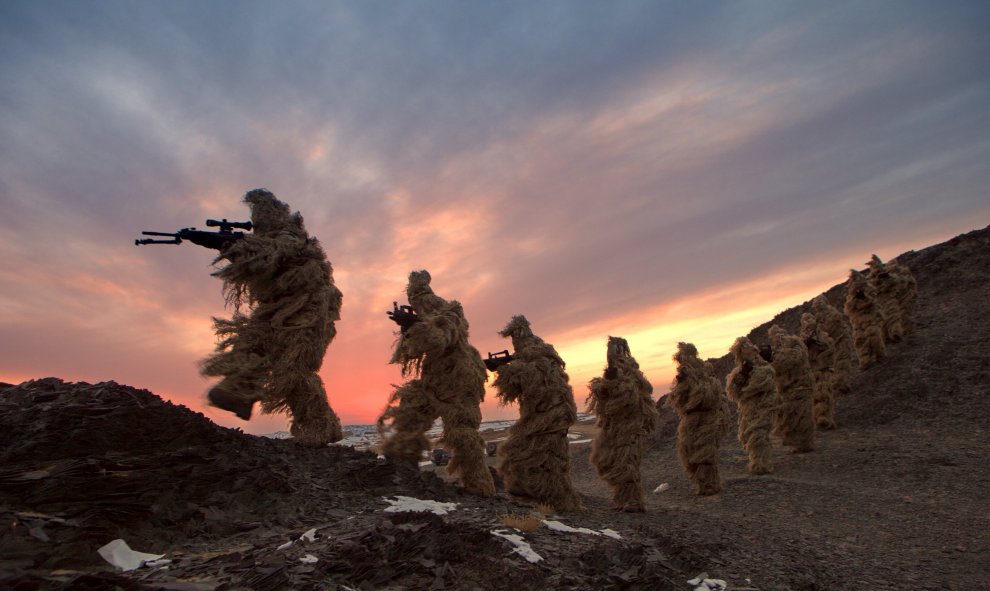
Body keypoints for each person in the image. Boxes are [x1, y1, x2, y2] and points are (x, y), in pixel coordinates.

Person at [203, 189, 344, 446]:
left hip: (310, 313)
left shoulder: (291, 238)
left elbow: (271, 253)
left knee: (293, 370)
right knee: (250, 343)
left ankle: (320, 425)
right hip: (276, 310)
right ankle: (240, 392)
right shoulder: (275, 239)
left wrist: (231, 246)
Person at [377, 270, 495, 497]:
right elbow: (413, 351)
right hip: (436, 380)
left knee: (462, 434)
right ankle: (402, 471)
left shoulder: (448, 311)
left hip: (459, 379)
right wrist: (408, 328)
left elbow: (440, 337)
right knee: (410, 413)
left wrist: (416, 327)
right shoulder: (427, 314)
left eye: (416, 296)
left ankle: (480, 489)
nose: (415, 302)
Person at [492, 316, 584, 511]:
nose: (514, 343)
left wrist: (503, 370)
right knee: (542, 458)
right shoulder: (544, 355)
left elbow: (530, 384)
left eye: (515, 338)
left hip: (549, 418)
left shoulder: (535, 358)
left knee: (537, 458)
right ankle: (551, 499)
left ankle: (553, 502)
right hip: (551, 417)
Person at [587, 337, 659, 510]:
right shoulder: (613, 373)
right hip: (614, 427)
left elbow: (629, 396)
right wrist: (606, 382)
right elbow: (604, 395)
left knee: (626, 463)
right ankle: (622, 499)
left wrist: (613, 382)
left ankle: (633, 501)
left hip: (631, 427)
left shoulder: (633, 375)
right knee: (607, 461)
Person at [666, 342, 730, 496]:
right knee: (688, 452)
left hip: (707, 419)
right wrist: (681, 384)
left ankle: (710, 484)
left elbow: (709, 395)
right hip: (690, 420)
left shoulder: (704, 375)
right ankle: (702, 483)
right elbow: (678, 399)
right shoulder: (684, 378)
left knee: (705, 452)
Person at [726, 336, 779, 474]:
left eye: (750, 352)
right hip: (748, 408)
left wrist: (749, 379)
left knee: (759, 434)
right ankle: (757, 461)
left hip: (763, 405)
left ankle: (762, 465)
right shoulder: (740, 371)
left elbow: (766, 380)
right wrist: (743, 374)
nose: (748, 355)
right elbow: (733, 391)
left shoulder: (764, 367)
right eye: (744, 353)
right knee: (748, 435)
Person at [768, 325, 816, 453]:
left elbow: (790, 360)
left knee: (802, 415)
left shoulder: (794, 345)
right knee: (790, 415)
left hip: (801, 385)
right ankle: (796, 441)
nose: (776, 339)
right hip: (788, 388)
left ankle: (805, 444)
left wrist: (772, 359)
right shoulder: (781, 348)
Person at [800, 313, 837, 430]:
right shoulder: (801, 340)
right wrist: (807, 343)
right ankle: (817, 419)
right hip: (810, 372)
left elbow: (830, 348)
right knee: (813, 397)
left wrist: (818, 342)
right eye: (806, 326)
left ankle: (824, 419)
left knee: (824, 394)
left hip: (823, 369)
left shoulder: (824, 336)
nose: (808, 329)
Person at [844, 269, 886, 368]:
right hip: (857, 320)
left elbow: (874, 300)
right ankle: (865, 360)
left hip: (869, 318)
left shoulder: (868, 288)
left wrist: (865, 297)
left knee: (873, 335)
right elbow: (848, 309)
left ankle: (880, 354)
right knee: (860, 339)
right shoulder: (851, 293)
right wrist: (855, 299)